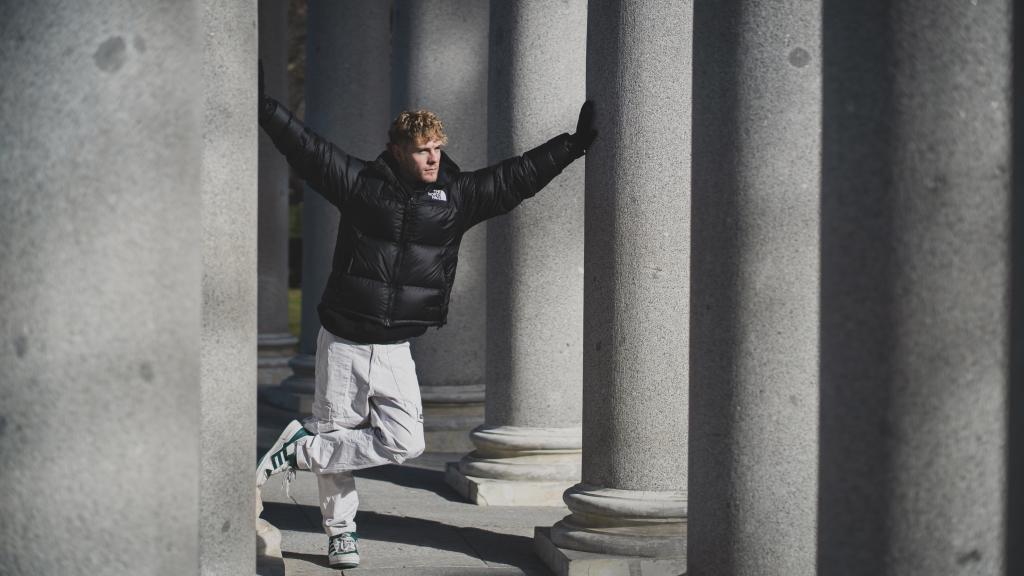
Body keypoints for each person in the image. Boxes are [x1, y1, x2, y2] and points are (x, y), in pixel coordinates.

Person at [254, 64, 596, 570]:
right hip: (344, 337)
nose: (433, 157)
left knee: (404, 442)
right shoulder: (361, 185)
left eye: (437, 147)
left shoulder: (456, 198)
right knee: (338, 431)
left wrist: (573, 144)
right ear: (398, 151)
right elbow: (307, 150)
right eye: (422, 150)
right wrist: (265, 107)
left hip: (396, 347)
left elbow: (516, 176)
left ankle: (299, 451)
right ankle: (340, 532)